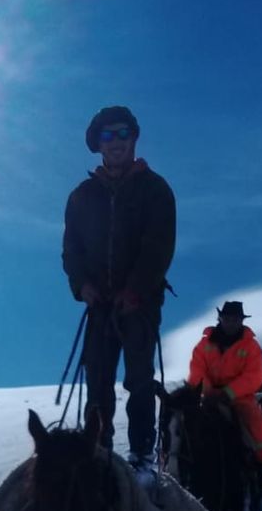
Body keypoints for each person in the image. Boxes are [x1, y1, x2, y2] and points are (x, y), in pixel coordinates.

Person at [62, 105, 176, 473]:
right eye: (108, 136)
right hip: (99, 305)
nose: (115, 142)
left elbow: (158, 247)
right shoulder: (82, 196)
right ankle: (98, 454)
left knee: (139, 380)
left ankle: (142, 457)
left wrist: (136, 290)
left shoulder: (155, 190)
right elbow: (72, 249)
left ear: (134, 138)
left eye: (122, 133)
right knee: (97, 382)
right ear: (98, 144)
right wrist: (82, 286)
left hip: (139, 305)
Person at [187, 300, 262, 463]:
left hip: (239, 397)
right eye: (227, 319)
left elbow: (254, 375)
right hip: (207, 396)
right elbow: (197, 370)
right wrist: (207, 392)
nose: (231, 323)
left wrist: (228, 393)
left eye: (235, 320)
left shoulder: (251, 346)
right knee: (183, 423)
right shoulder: (204, 344)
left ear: (241, 321)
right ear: (220, 319)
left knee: (255, 425)